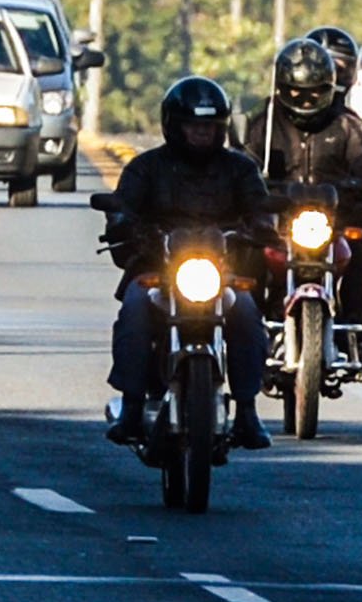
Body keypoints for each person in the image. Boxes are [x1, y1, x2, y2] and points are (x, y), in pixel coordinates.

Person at [104, 77, 274, 449]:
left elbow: (261, 208)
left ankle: (247, 411)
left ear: (222, 128)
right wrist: (124, 226)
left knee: (246, 313)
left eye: (209, 127)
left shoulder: (240, 169)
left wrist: (262, 226)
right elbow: (122, 208)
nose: (201, 134)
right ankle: (132, 408)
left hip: (220, 274)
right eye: (194, 126)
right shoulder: (146, 168)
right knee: (134, 309)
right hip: (158, 271)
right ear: (173, 125)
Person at [304, 25, 362, 378]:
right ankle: (236, 323)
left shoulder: (350, 126)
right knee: (242, 238)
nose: (333, 76)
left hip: (334, 218)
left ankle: (359, 337)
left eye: (340, 68)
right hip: (279, 219)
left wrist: (359, 186)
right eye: (325, 67)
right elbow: (240, 165)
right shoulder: (267, 121)